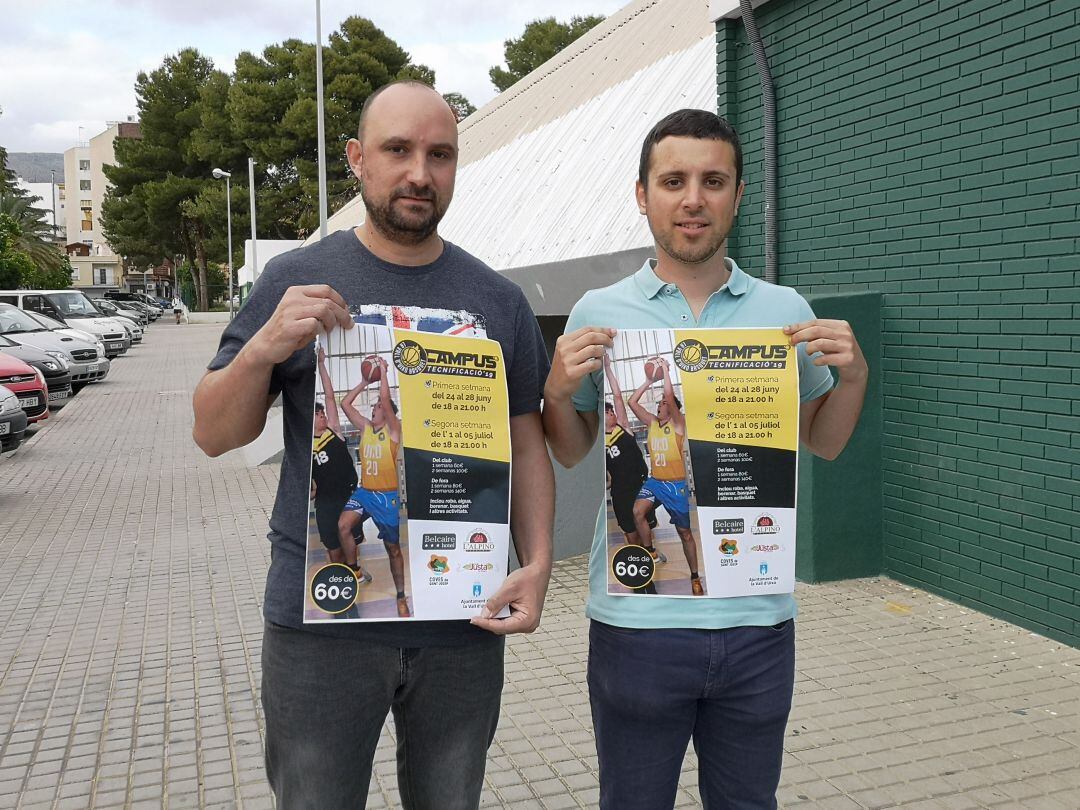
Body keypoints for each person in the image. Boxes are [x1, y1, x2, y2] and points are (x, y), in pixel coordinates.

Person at [192, 80, 554, 810]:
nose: (420, 172)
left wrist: (540, 563)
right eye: (398, 150)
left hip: (463, 614)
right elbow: (213, 434)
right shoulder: (293, 278)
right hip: (320, 627)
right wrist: (264, 345)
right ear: (357, 159)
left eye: (440, 154)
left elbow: (527, 441)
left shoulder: (498, 300)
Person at [542, 109, 868, 809]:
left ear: (738, 195)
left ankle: (690, 555)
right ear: (642, 194)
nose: (694, 198)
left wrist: (856, 379)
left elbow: (826, 441)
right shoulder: (599, 310)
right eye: (674, 180)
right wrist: (557, 390)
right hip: (635, 630)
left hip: (757, 624)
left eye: (713, 180)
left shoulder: (783, 310)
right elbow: (571, 451)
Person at [337, 357, 409, 617]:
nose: (375, 408)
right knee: (343, 526)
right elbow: (345, 404)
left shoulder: (393, 431)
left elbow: (388, 403)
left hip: (386, 498)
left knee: (393, 550)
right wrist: (365, 381)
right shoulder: (366, 428)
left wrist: (385, 375)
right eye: (376, 406)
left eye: (379, 406)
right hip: (365, 492)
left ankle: (400, 596)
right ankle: (354, 569)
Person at [625, 356, 703, 595]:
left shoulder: (679, 423)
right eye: (658, 403)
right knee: (637, 512)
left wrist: (666, 371)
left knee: (685, 533)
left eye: (662, 403)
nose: (658, 405)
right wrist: (649, 381)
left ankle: (694, 577)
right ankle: (651, 551)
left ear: (672, 408)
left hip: (676, 485)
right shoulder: (652, 423)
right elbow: (632, 401)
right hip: (655, 482)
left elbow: (670, 395)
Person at [602, 354, 660, 594]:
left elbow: (617, 395)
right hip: (620, 490)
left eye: (613, 412)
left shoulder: (623, 426)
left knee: (643, 518)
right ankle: (640, 568)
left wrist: (607, 368)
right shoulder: (601, 442)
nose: (612, 414)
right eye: (608, 412)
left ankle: (650, 552)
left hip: (640, 483)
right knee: (629, 532)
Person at [311, 346, 370, 579]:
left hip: (348, 495)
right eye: (318, 414)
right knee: (334, 551)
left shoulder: (334, 430)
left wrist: (322, 364)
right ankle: (345, 574)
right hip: (325, 501)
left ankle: (353, 570)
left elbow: (328, 395)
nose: (324, 415)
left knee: (352, 540)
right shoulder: (308, 446)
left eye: (324, 413)